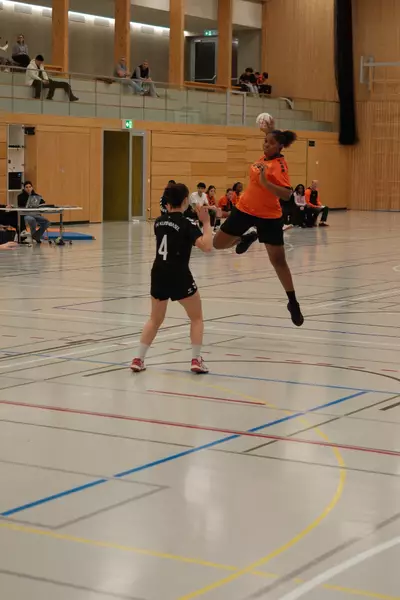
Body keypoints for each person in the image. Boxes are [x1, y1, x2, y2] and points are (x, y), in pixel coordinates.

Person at [213, 126, 304, 327]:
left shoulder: (280, 166)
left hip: (269, 216)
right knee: (218, 243)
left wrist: (265, 182)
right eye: (265, 141)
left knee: (278, 260)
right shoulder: (264, 158)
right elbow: (273, 138)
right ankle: (246, 237)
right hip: (244, 209)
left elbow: (287, 194)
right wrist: (269, 129)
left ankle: (293, 302)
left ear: (280, 147)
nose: (266, 145)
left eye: (271, 143)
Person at [131, 183, 212, 374]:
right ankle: (196, 359)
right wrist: (206, 222)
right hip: (179, 274)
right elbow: (207, 246)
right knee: (196, 317)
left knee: (155, 319)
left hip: (159, 273)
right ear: (185, 201)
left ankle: (138, 359)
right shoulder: (187, 224)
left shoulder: (158, 222)